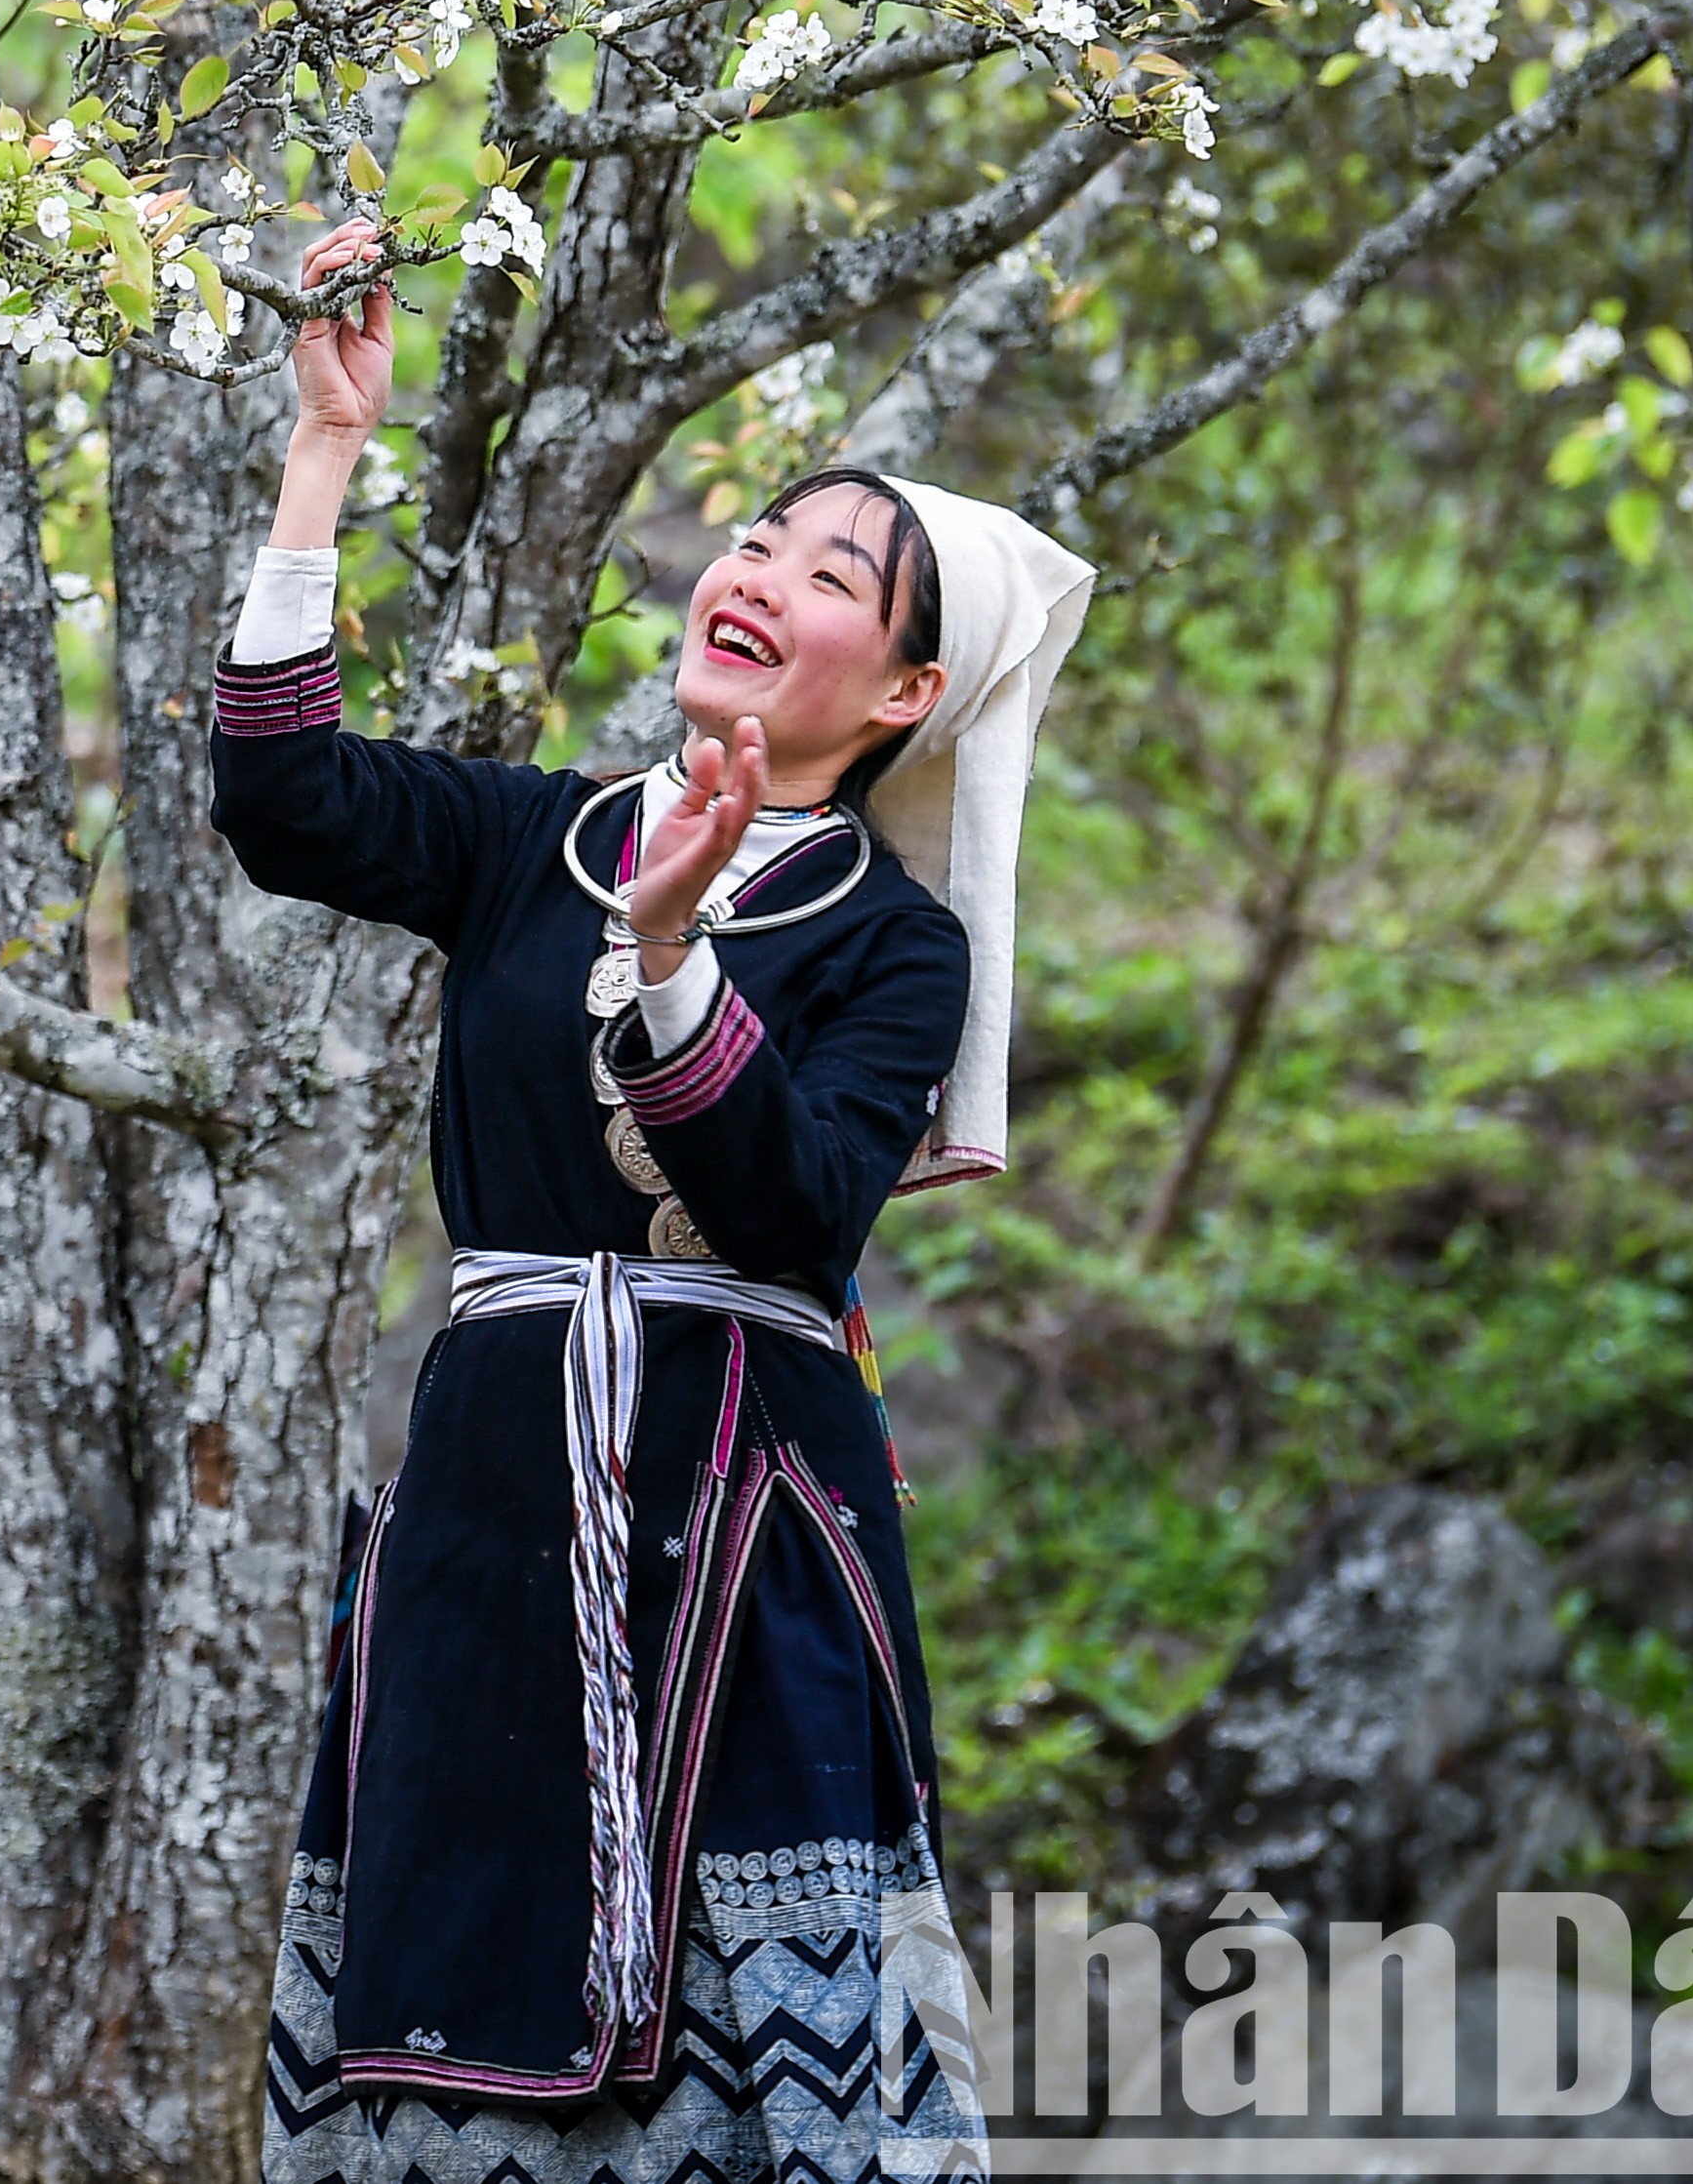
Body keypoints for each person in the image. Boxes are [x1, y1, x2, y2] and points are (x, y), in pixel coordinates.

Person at [224, 222, 1091, 2184]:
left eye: (829, 573)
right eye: (759, 539)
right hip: (498, 1497)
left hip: (747, 1524)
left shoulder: (894, 947)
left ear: (910, 688)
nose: (757, 575)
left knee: (754, 2064)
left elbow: (788, 1202)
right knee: (458, 1991)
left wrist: (678, 951)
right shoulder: (538, 832)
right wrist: (322, 457)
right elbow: (282, 806)